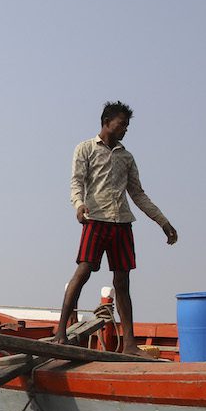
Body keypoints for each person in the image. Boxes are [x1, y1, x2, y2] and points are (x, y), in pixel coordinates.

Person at [53, 101, 178, 355]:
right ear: (107, 121)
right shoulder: (86, 149)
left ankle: (130, 343)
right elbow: (76, 184)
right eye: (122, 124)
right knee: (84, 270)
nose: (125, 129)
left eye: (127, 126)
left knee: (122, 281)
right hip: (95, 219)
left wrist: (163, 222)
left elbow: (138, 194)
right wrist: (79, 206)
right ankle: (61, 332)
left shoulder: (126, 157)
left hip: (121, 223)